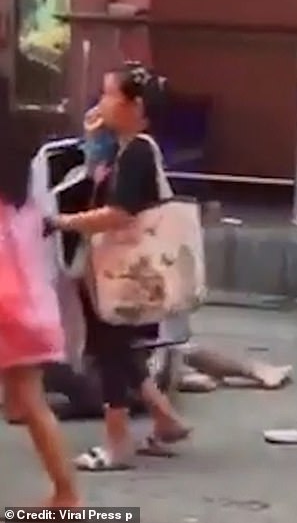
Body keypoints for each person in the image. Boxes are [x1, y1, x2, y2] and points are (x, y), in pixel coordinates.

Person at [45, 65, 191, 470]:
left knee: (108, 348)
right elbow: (94, 178)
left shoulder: (139, 150)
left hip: (125, 267)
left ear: (135, 105)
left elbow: (119, 212)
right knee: (114, 344)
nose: (100, 103)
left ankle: (118, 442)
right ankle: (164, 418)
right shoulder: (123, 147)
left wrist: (63, 223)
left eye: (109, 95)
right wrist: (95, 136)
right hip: (113, 267)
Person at [0, 116, 80, 505]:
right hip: (29, 305)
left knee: (28, 402)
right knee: (31, 402)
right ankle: (65, 493)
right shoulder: (24, 193)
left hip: (5, 306)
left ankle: (65, 495)